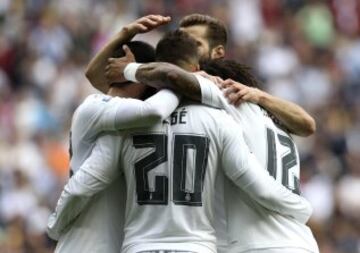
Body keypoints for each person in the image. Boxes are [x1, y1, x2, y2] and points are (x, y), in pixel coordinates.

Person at [56, 30, 312, 253]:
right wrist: (302, 209)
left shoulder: (128, 125)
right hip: (291, 240)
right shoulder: (251, 117)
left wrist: (129, 70)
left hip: (142, 245)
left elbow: (87, 180)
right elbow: (307, 126)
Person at [47, 15, 180, 253]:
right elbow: (153, 110)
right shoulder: (95, 107)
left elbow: (97, 76)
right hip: (85, 244)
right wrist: (183, 84)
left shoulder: (115, 116)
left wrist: (124, 34)